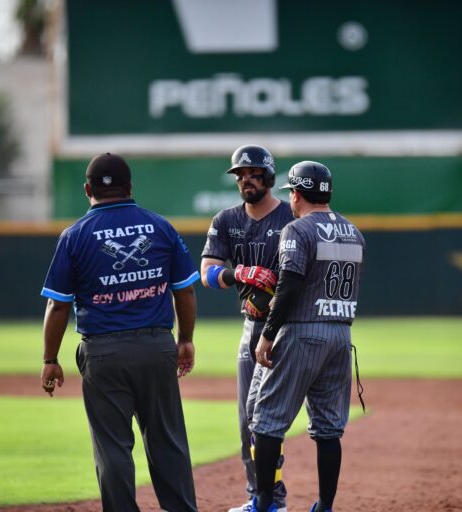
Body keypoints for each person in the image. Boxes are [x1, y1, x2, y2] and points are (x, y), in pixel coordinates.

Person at [39, 153, 200, 511]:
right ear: (130, 186)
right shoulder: (159, 226)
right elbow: (185, 291)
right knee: (168, 443)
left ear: (86, 189)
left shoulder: (74, 236)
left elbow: (59, 306)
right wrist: (185, 339)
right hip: (157, 347)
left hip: (103, 353)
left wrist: (50, 359)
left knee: (112, 448)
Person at [250, 161, 366, 512]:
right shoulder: (353, 231)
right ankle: (325, 506)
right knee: (329, 429)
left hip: (302, 330)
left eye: (292, 194)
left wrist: (268, 334)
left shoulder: (297, 230)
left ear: (297, 194)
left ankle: (263, 503)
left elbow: (290, 285)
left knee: (267, 421)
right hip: (340, 336)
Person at [200, 144, 294, 512]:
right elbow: (206, 273)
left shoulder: (290, 217)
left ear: (269, 177)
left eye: (253, 174)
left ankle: (278, 499)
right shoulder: (226, 220)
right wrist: (238, 272)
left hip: (287, 327)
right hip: (252, 326)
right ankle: (261, 498)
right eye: (240, 175)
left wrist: (274, 291)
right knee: (247, 419)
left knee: (271, 417)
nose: (246, 181)